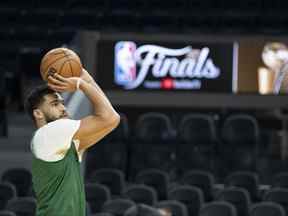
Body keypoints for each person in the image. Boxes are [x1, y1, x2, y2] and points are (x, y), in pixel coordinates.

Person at [24, 68, 120, 216]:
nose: (63, 108)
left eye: (62, 103)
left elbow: (112, 122)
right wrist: (82, 84)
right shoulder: (50, 133)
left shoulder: (61, 142)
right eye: (55, 104)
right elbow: (110, 118)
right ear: (38, 113)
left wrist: (89, 81)